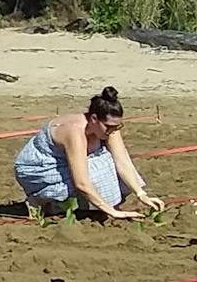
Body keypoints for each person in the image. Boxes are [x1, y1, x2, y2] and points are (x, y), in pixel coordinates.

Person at [13, 87, 163, 220]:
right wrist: (112, 211)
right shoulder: (74, 131)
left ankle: (83, 206)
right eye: (109, 127)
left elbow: (122, 162)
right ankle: (42, 201)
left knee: (110, 165)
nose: (112, 131)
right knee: (96, 170)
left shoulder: (110, 129)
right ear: (94, 119)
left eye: (117, 126)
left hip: (65, 162)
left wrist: (141, 194)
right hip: (39, 168)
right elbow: (81, 182)